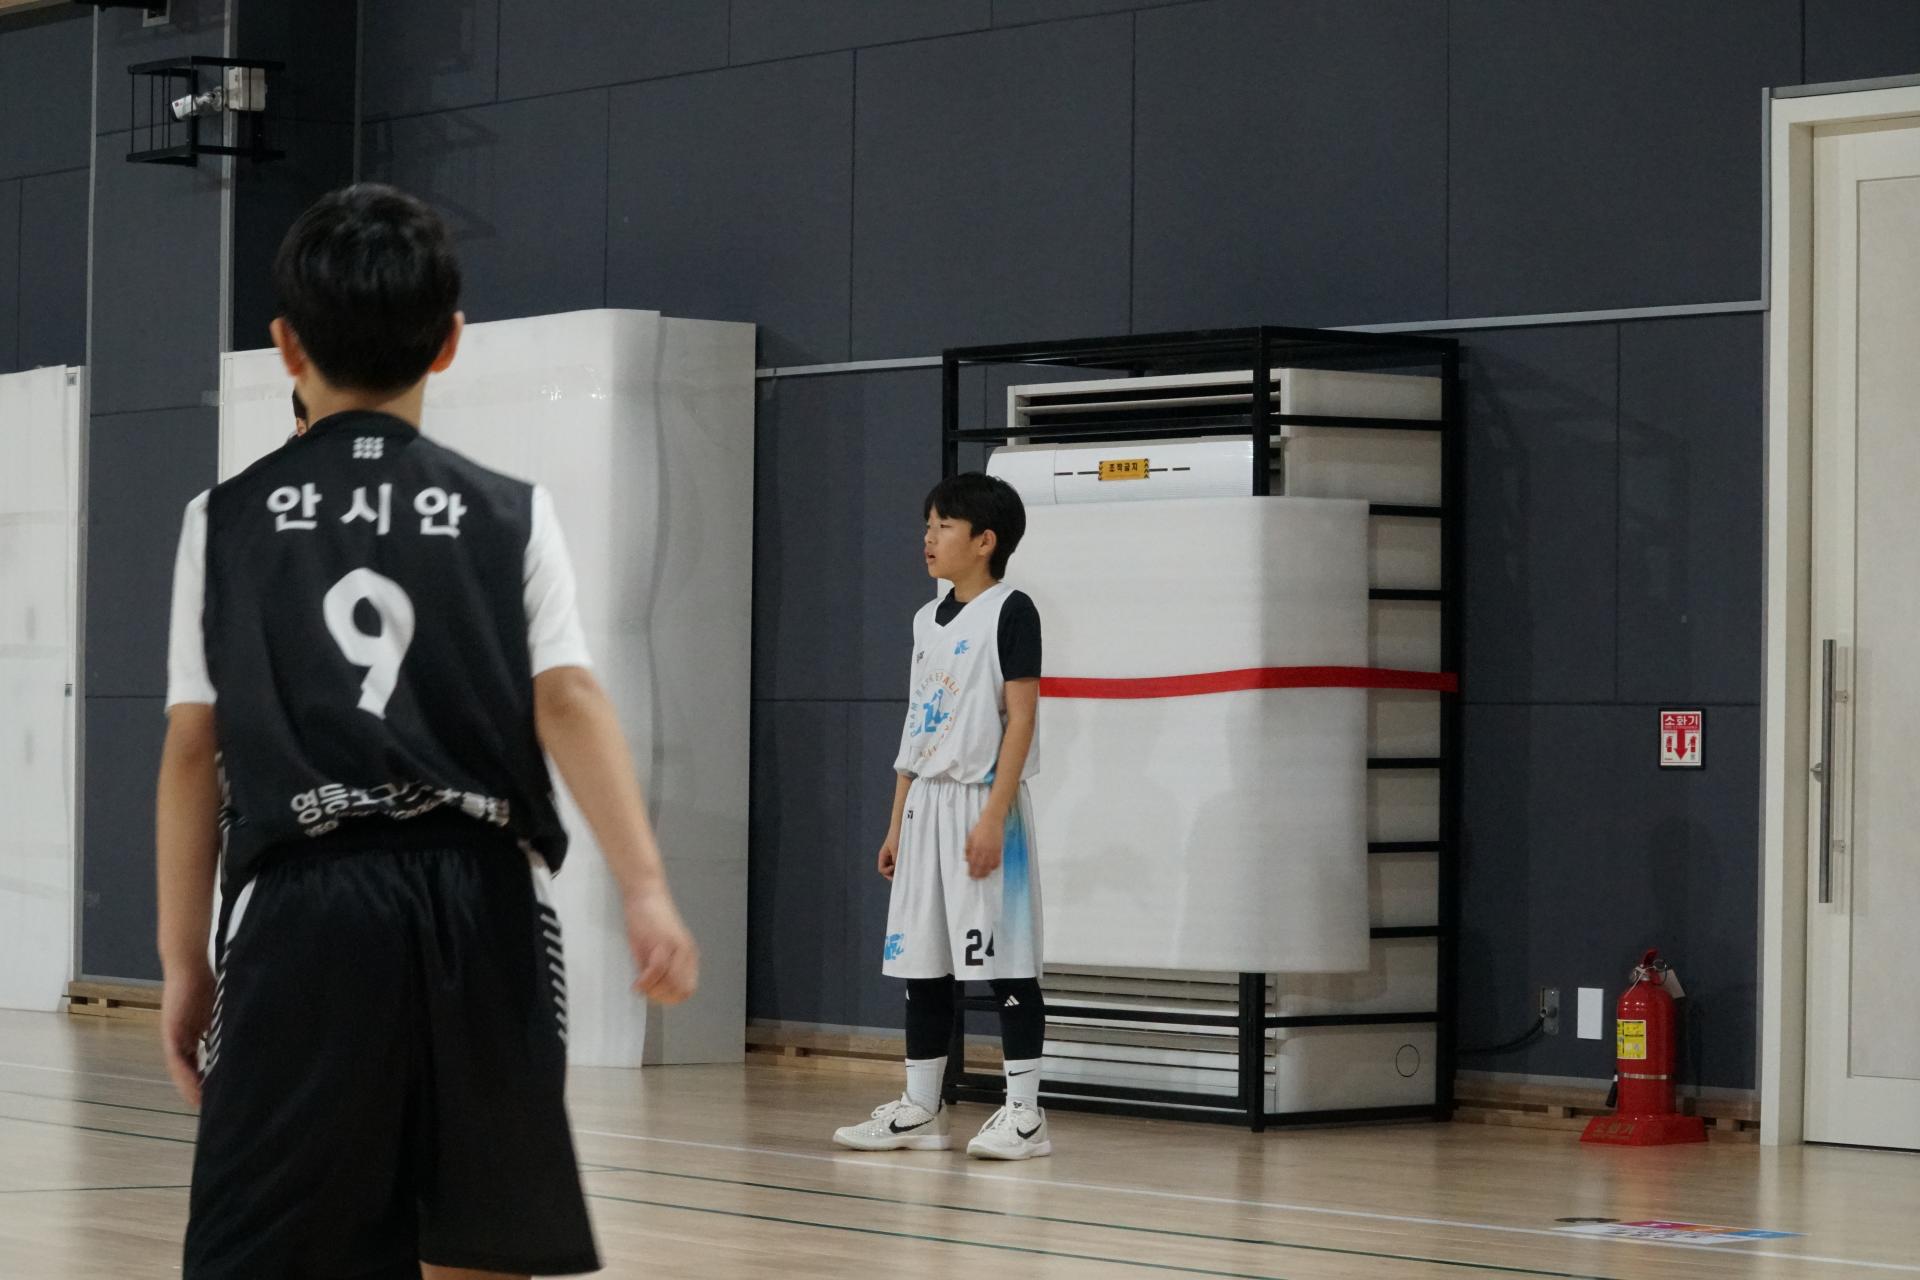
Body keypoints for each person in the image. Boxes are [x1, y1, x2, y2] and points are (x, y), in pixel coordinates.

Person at [155, 183, 698, 1280]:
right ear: (449, 342)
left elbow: (192, 748)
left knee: (267, 1246)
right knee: (480, 1239)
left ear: (286, 345)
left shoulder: (223, 519)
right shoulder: (509, 510)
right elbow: (569, 700)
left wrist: (182, 960)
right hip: (479, 898)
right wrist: (645, 888)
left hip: (305, 904)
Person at [832, 472, 1052, 1161]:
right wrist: (896, 820)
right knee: (922, 960)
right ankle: (921, 1107)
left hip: (983, 801)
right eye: (927, 526)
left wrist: (993, 815)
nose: (928, 538)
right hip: (925, 804)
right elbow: (917, 723)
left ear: (985, 541)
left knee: (1006, 960)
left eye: (943, 527)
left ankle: (1026, 1116)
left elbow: (1021, 720)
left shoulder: (1013, 611)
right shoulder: (926, 620)